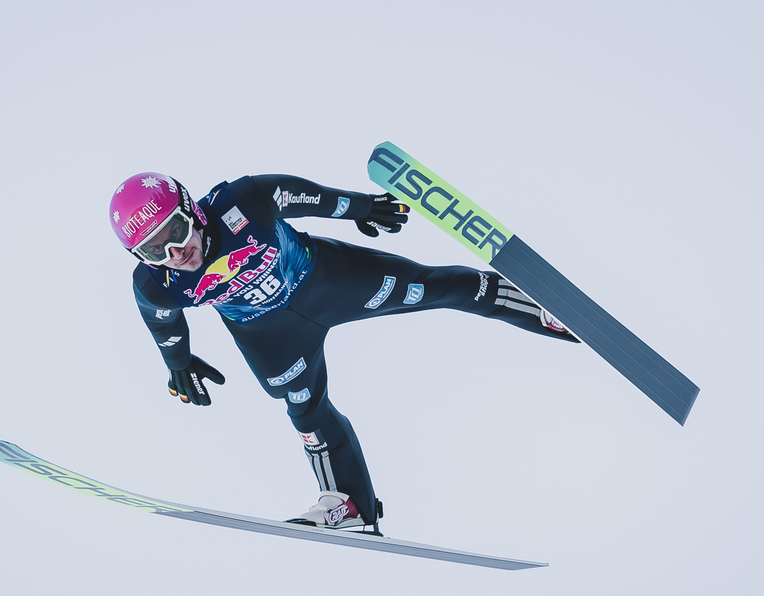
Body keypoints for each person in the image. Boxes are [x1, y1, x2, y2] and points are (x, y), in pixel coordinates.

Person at [109, 171, 577, 530]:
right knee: (305, 411)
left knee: (439, 288)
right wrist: (178, 363)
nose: (175, 253)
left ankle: (545, 311)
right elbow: (162, 321)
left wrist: (361, 208)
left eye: (175, 231)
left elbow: (303, 196)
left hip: (331, 282)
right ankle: (348, 503)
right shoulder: (156, 283)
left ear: (191, 210)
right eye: (154, 249)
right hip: (271, 336)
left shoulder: (242, 203)